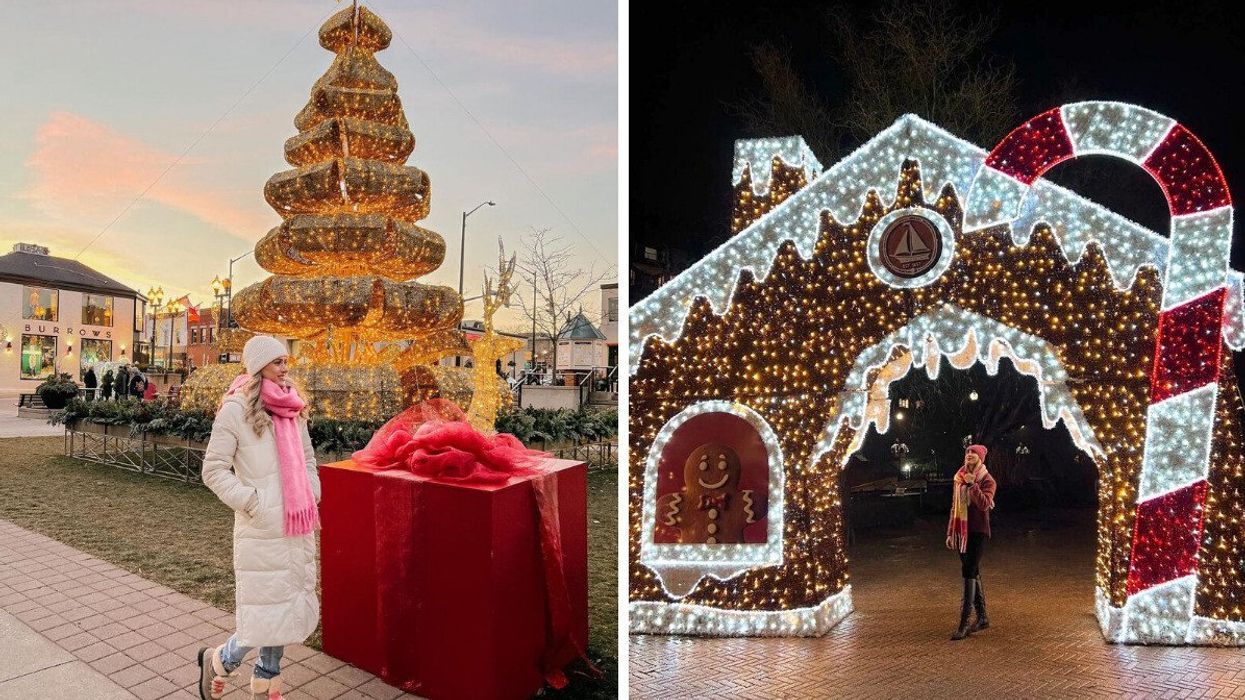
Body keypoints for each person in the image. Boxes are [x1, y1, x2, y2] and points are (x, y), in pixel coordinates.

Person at [197, 336, 319, 700]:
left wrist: (311, 492)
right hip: (262, 526)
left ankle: (265, 679)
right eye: (278, 361)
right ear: (258, 366)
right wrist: (254, 502)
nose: (285, 368)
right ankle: (222, 661)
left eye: (286, 360)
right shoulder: (235, 410)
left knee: (282, 606)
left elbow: (309, 460)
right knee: (267, 610)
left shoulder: (294, 408)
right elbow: (213, 470)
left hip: (297, 523)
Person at [946, 444, 996, 641]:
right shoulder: (958, 478)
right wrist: (950, 532)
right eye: (967, 453)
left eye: (973, 453)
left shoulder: (987, 480)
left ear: (980, 457)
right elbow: (954, 507)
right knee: (972, 571)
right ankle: (982, 617)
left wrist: (972, 485)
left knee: (968, 570)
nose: (969, 455)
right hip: (961, 532)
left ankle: (964, 623)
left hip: (978, 532)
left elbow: (984, 504)